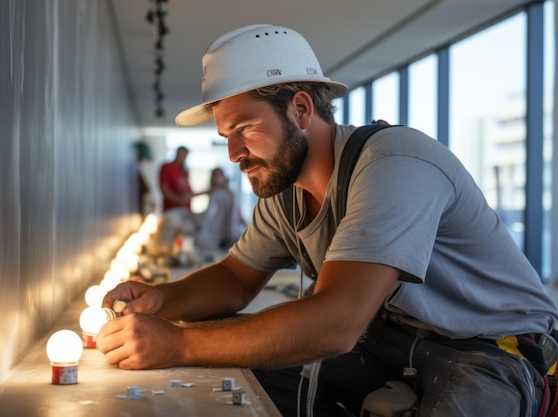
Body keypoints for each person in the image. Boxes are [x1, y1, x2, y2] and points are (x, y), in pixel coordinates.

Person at [97, 24, 558, 417]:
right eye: (225, 136)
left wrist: (179, 344)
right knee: (242, 378)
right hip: (387, 341)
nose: (235, 154)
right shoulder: (285, 188)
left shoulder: (394, 162)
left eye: (245, 128)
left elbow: (338, 322)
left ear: (300, 109)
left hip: (491, 348)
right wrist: (161, 301)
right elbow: (235, 280)